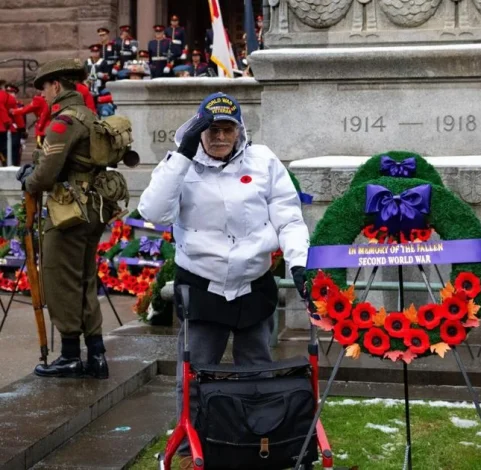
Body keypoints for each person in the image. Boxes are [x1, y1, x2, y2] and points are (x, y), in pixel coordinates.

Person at [137, 92, 309, 468]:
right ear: (198, 130)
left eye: (227, 129)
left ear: (239, 130)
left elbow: (288, 217)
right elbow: (152, 211)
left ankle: (257, 439)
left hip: (254, 283)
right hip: (202, 285)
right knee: (195, 372)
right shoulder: (181, 164)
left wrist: (299, 264)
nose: (219, 137)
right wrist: (181, 155)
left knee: (257, 370)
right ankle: (190, 449)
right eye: (211, 129)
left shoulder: (263, 161)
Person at [16, 58, 119, 379]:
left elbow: (46, 175)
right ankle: (96, 354)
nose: (42, 96)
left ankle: (71, 355)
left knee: (59, 278)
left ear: (56, 86)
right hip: (92, 209)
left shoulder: (64, 120)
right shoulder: (88, 115)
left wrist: (29, 179)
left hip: (70, 213)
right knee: (85, 279)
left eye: (44, 89)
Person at [5, 84, 25, 165]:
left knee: (15, 154)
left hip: (16, 132)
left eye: (12, 92)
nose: (10, 94)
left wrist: (23, 137)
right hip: (5, 130)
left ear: (15, 94)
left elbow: (23, 120)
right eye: (8, 92)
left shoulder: (19, 105)